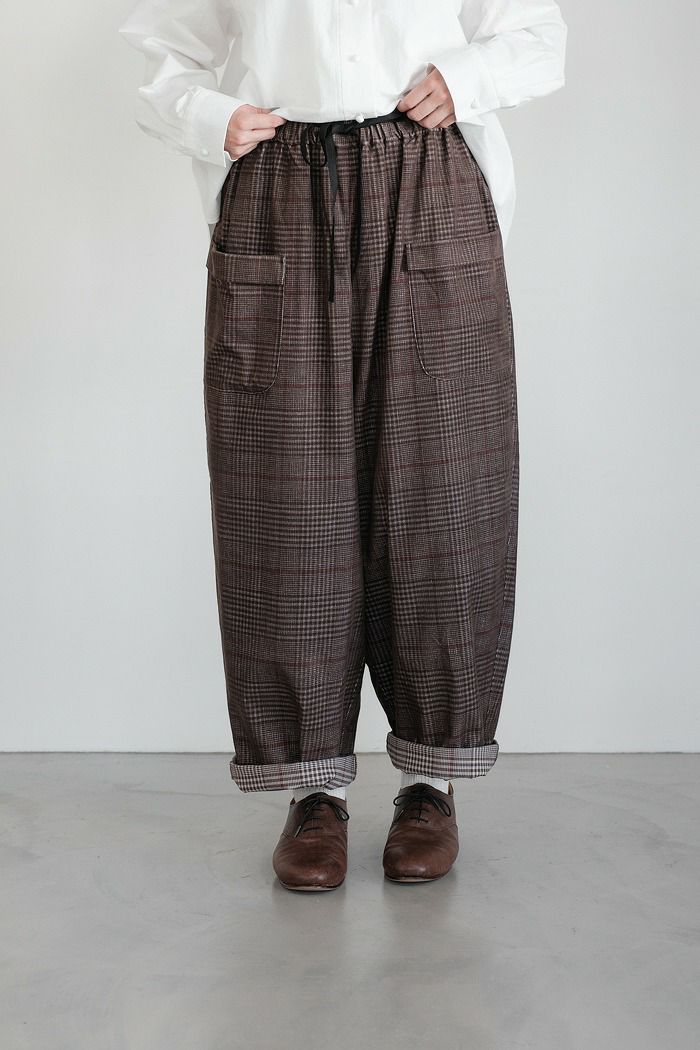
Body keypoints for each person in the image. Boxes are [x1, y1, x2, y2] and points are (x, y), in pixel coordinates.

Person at [118, 0, 567, 891]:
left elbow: (538, 36)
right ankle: (313, 792)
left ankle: (431, 784)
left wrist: (465, 80)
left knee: (443, 494)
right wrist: (209, 116)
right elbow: (164, 43)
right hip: (281, 183)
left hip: (431, 175)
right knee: (286, 497)